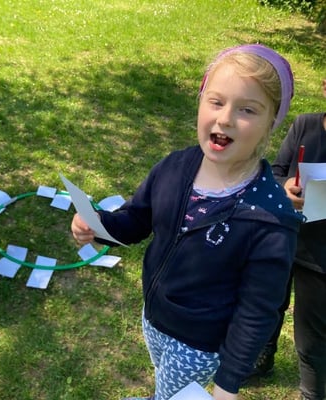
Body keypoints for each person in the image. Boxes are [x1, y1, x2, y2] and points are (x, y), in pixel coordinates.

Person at [70, 44, 304, 400]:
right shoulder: (175, 166)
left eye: (247, 110)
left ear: (271, 123)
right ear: (200, 101)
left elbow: (257, 310)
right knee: (162, 377)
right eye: (216, 101)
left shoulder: (271, 217)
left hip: (198, 343)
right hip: (154, 315)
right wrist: (98, 226)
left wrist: (227, 383)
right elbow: (137, 219)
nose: (225, 118)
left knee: (169, 394)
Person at [268, 78, 326, 400]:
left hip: (319, 256)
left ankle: (311, 393)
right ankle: (261, 361)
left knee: (311, 336)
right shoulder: (305, 125)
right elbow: (276, 171)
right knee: (269, 306)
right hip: (285, 237)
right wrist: (286, 186)